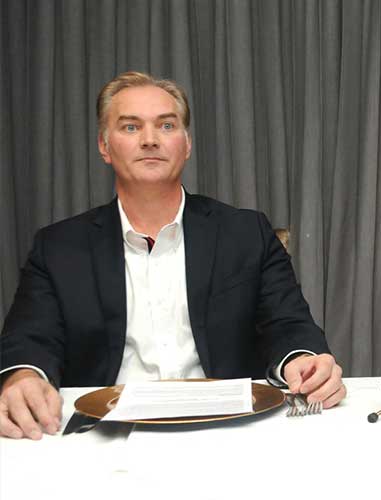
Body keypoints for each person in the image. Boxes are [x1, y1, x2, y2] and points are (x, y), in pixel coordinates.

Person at [0, 71, 346, 440]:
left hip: (229, 431)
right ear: (104, 145)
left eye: (166, 125)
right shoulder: (58, 247)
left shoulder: (246, 233)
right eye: (131, 127)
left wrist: (303, 361)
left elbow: (288, 324)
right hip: (106, 433)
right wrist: (24, 377)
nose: (150, 140)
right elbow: (30, 339)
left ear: (187, 144)